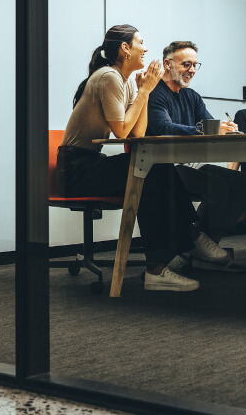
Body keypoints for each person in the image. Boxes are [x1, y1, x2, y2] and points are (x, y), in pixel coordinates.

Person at [56, 25, 232, 292]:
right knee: (149, 171)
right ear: (125, 49)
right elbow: (122, 132)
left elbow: (136, 134)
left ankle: (173, 253)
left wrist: (144, 93)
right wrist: (145, 92)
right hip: (76, 169)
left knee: (152, 169)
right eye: (141, 42)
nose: (146, 48)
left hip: (90, 163)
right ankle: (181, 247)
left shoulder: (125, 81)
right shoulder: (109, 78)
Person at [147, 41, 246, 250]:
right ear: (167, 64)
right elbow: (164, 128)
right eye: (186, 64)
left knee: (245, 182)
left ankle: (207, 242)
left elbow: (210, 125)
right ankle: (200, 246)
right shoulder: (155, 93)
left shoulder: (192, 96)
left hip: (190, 164)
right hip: (164, 168)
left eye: (194, 65)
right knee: (217, 187)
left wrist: (226, 128)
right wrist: (210, 129)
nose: (191, 70)